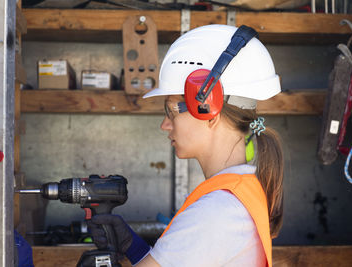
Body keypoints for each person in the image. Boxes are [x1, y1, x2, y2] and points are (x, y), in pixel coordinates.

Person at [88, 24, 284, 267]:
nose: (165, 125)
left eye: (171, 111)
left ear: (208, 110)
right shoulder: (239, 191)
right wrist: (133, 246)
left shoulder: (217, 210)